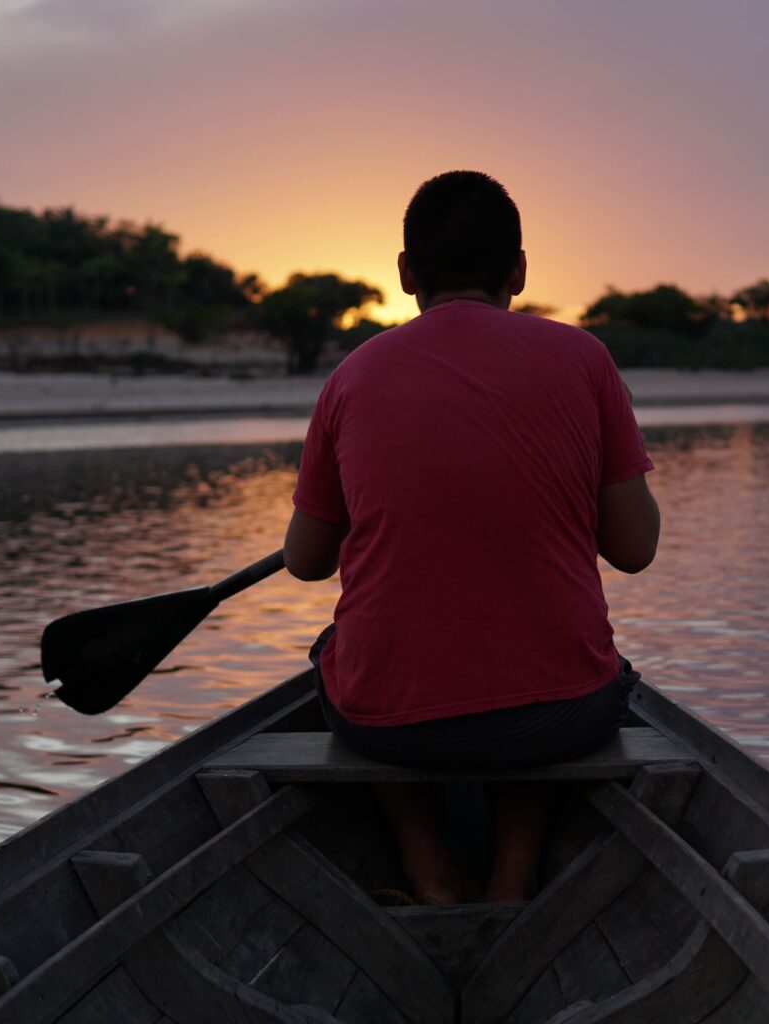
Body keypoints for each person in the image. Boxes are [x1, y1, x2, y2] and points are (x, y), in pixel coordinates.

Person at [282, 170, 660, 903]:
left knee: (335, 650)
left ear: (404, 274)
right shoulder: (585, 359)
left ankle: (428, 870)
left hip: (389, 725)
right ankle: (514, 873)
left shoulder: (351, 377)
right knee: (560, 658)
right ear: (519, 270)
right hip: (558, 720)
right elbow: (635, 550)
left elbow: (304, 563)